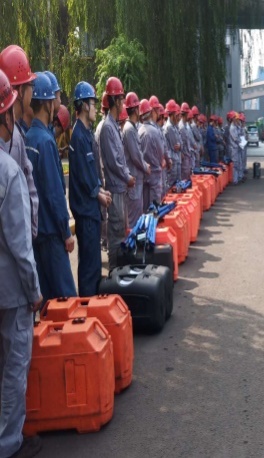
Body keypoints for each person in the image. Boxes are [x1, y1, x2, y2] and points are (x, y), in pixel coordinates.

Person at [0, 66, 44, 458]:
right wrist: (34, 292)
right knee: (15, 366)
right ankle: (8, 443)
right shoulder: (7, 171)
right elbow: (19, 243)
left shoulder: (15, 151)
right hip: (12, 288)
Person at [25, 72, 76, 300]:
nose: (59, 101)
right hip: (52, 235)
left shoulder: (29, 137)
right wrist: (65, 232)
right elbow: (54, 193)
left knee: (48, 302)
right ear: (47, 103)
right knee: (66, 300)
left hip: (37, 234)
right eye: (56, 96)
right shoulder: (45, 142)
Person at [69, 81, 111, 296]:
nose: (95, 108)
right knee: (88, 268)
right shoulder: (78, 135)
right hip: (85, 213)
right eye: (93, 103)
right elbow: (85, 177)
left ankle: (93, 303)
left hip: (90, 211)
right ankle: (87, 305)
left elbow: (91, 173)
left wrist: (101, 191)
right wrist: (99, 194)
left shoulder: (85, 133)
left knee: (94, 265)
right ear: (84, 105)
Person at [0, 45, 39, 239]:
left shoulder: (16, 133)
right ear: (20, 90)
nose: (32, 94)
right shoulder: (12, 138)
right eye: (30, 86)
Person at [99, 77, 135, 270]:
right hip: (115, 188)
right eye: (120, 98)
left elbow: (121, 159)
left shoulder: (113, 126)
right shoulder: (107, 128)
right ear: (114, 100)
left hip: (120, 187)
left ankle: (120, 271)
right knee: (115, 236)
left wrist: (127, 176)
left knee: (121, 232)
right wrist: (127, 177)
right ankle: (114, 273)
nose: (123, 103)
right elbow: (114, 162)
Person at [123, 92, 150, 223]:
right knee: (134, 221)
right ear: (135, 110)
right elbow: (135, 157)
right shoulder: (129, 130)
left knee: (137, 217)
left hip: (137, 181)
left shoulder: (132, 128)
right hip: (133, 183)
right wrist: (145, 166)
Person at [139, 99, 164, 211]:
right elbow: (161, 152)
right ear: (150, 113)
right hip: (155, 174)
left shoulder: (139, 131)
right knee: (155, 209)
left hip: (144, 175)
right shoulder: (154, 131)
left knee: (145, 208)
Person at [164, 100, 182, 185]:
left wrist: (180, 145)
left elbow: (180, 143)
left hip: (176, 160)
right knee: (171, 185)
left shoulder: (174, 126)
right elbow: (175, 146)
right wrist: (180, 145)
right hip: (173, 161)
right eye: (175, 113)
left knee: (177, 184)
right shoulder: (169, 127)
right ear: (172, 114)